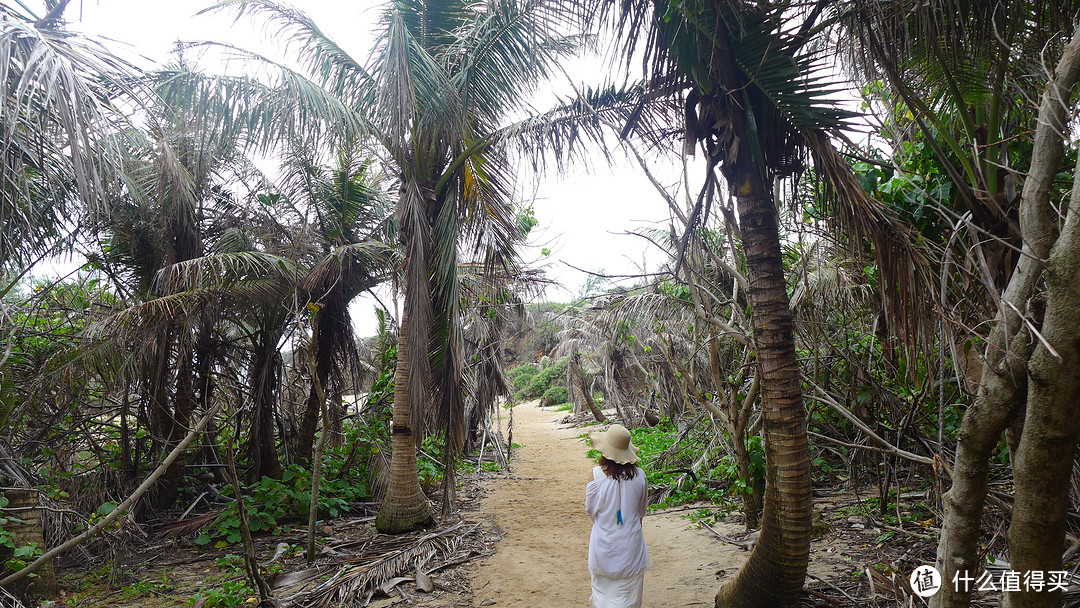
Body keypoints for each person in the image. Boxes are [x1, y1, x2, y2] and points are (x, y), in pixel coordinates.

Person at [586, 424, 650, 608]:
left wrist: (609, 520)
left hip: (603, 544)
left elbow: (591, 510)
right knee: (630, 596)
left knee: (602, 594)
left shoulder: (596, 475)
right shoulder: (641, 476)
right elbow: (641, 512)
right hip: (631, 544)